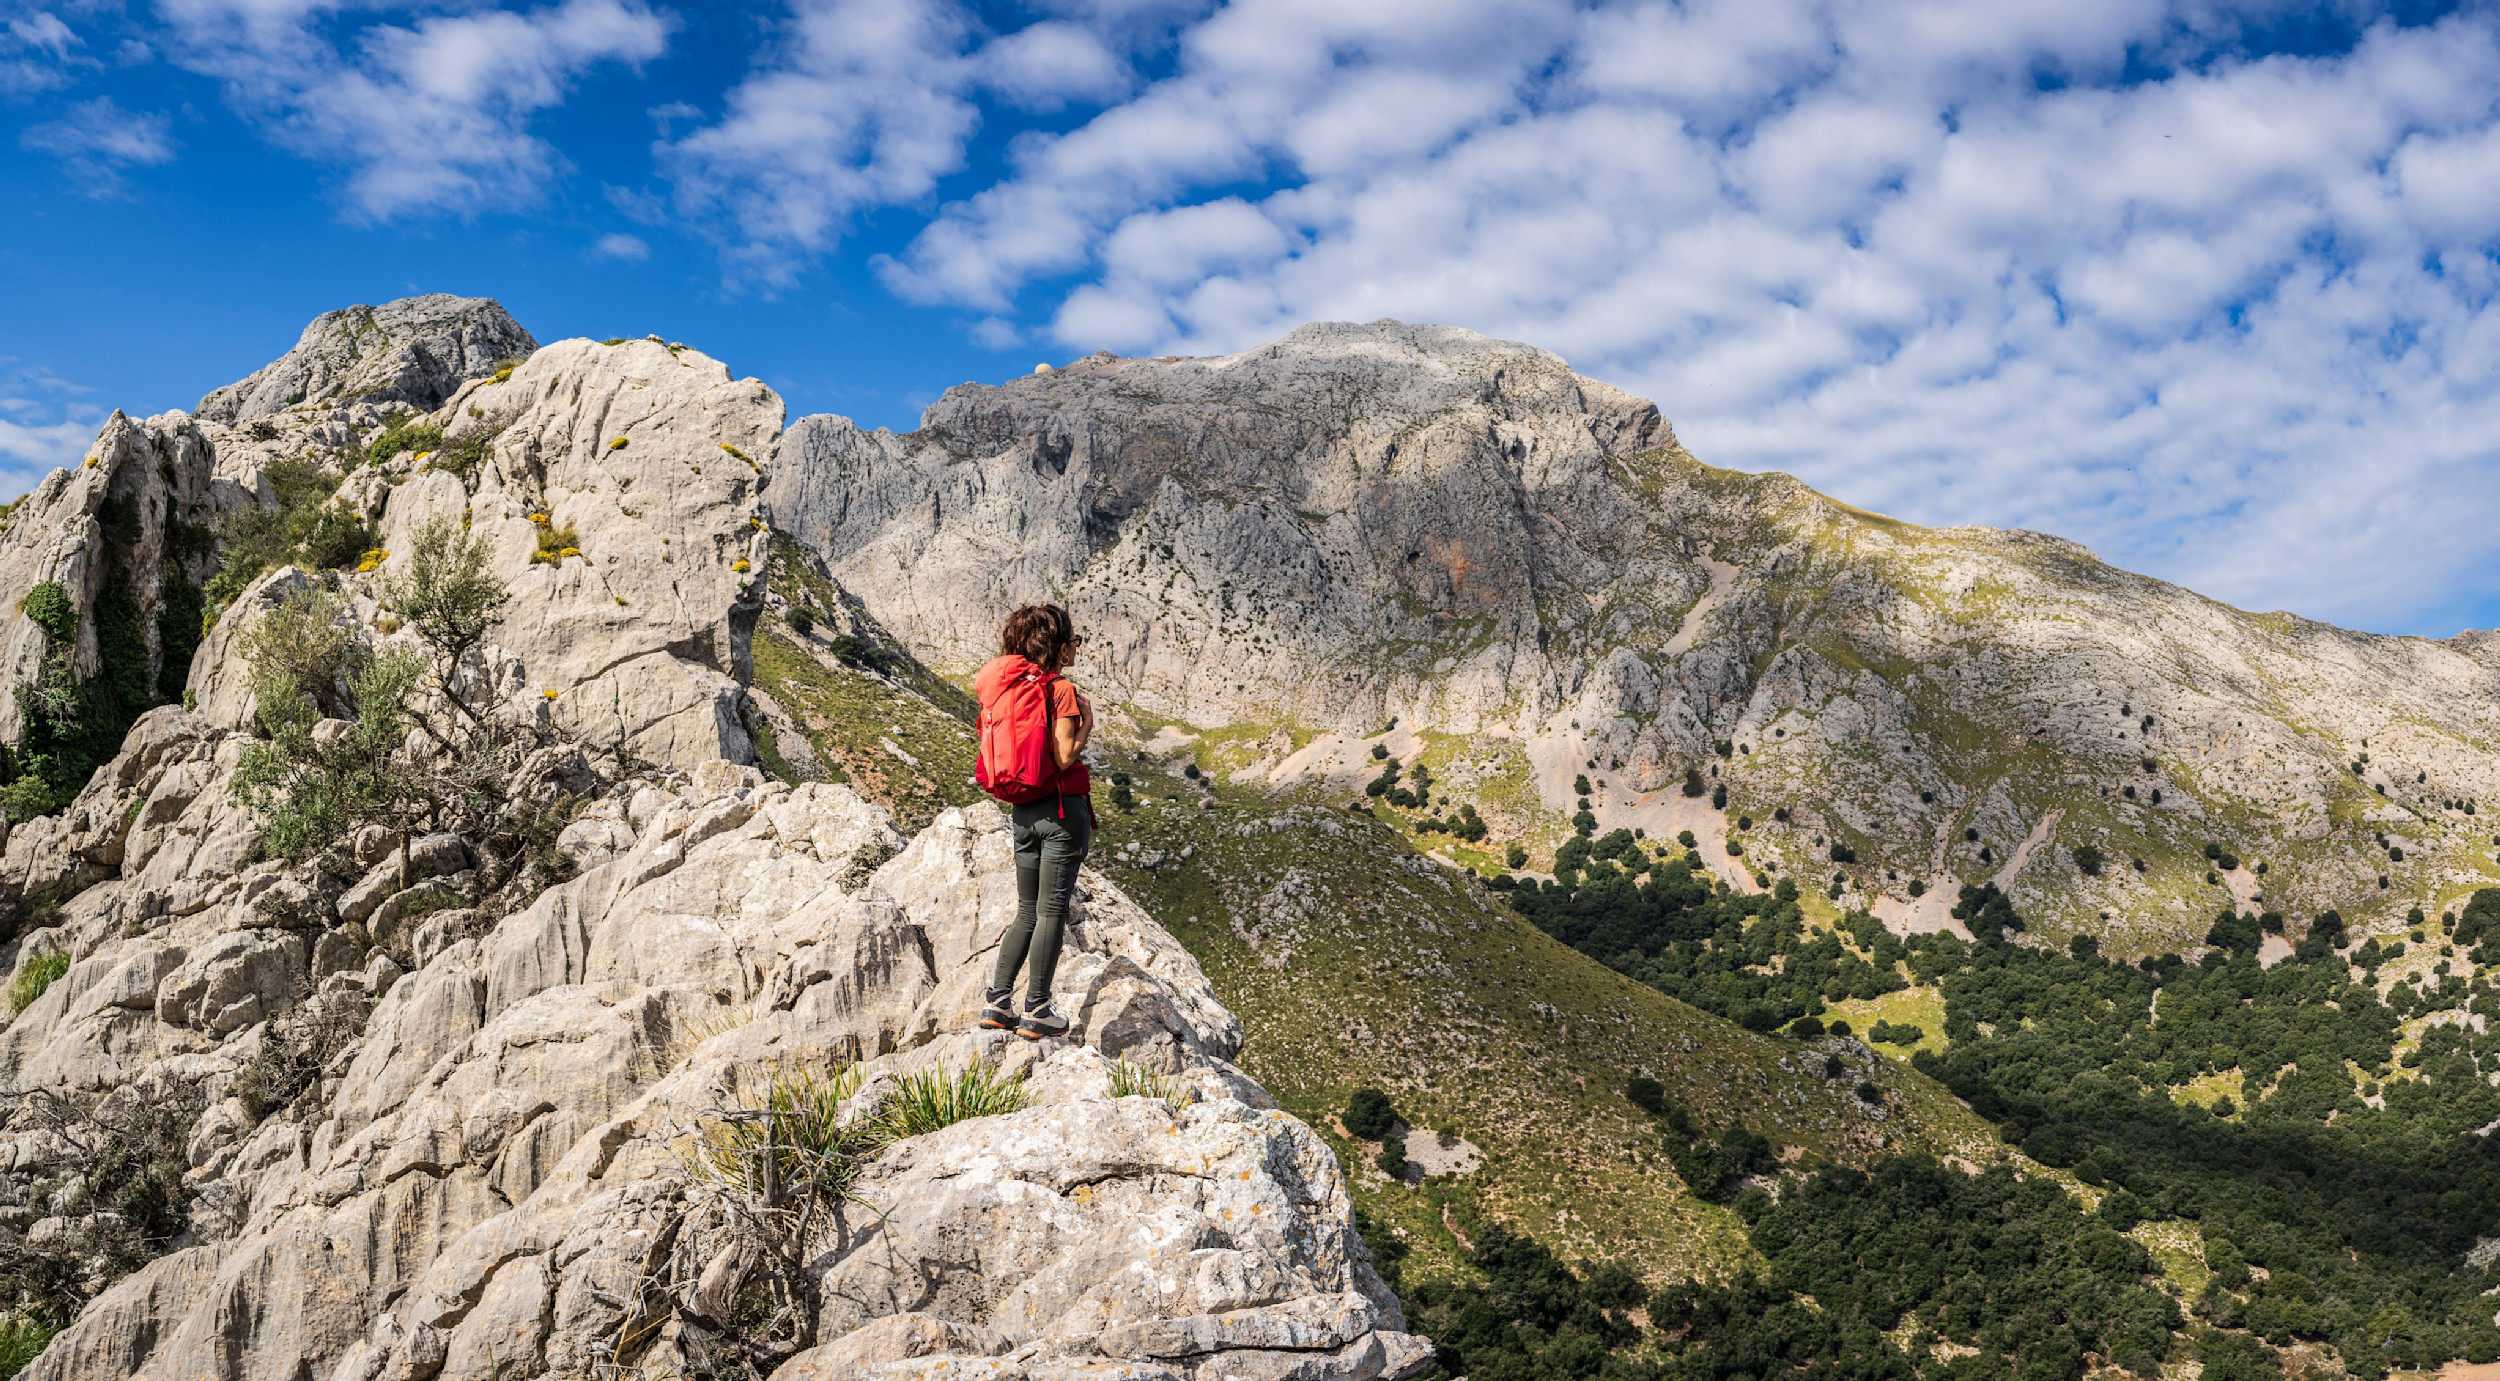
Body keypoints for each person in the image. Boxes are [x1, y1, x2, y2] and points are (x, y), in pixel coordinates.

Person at [974, 603, 1094, 1039]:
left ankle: (998, 1001)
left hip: (1022, 812)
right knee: (1051, 911)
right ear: (1061, 647)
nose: (1077, 649)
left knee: (1026, 909)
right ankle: (1038, 1008)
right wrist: (1086, 727)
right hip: (1060, 815)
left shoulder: (1008, 689)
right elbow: (1063, 757)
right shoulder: (1059, 688)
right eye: (1075, 641)